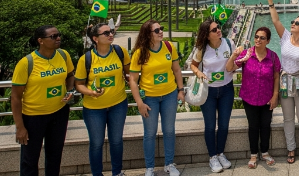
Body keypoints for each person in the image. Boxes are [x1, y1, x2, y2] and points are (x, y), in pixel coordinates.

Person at [11, 25, 75, 176]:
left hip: (59, 113)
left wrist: (70, 90)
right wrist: (20, 127)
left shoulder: (63, 55)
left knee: (55, 156)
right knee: (30, 160)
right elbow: (15, 97)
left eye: (58, 35)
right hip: (33, 118)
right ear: (40, 40)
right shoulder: (26, 63)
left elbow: (70, 75)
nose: (58, 38)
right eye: (53, 36)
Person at [129, 20, 185, 176]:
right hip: (149, 98)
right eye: (157, 30)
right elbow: (133, 79)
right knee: (150, 133)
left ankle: (169, 164)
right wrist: (139, 103)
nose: (161, 32)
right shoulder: (140, 52)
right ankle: (150, 168)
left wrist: (181, 90)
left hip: (169, 94)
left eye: (161, 29)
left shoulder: (168, 47)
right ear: (148, 34)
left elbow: (177, 70)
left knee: (169, 130)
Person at [75, 23, 130, 176]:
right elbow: (78, 84)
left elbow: (129, 74)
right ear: (95, 38)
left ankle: (117, 172)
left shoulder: (120, 52)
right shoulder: (86, 59)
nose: (110, 34)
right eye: (105, 33)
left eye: (111, 31)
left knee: (117, 141)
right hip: (94, 109)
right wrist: (91, 92)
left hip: (118, 104)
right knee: (96, 144)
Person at [267, 0, 299, 164]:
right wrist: (271, 2)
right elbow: (276, 21)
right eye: (293, 22)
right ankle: (291, 148)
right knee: (288, 118)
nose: (293, 24)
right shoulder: (285, 36)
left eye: (297, 23)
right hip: (286, 80)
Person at [189, 20, 242, 173]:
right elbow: (193, 64)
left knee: (224, 125)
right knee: (210, 126)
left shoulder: (228, 42)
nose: (218, 30)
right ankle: (212, 157)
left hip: (226, 89)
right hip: (209, 92)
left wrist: (239, 59)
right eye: (214, 30)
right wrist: (198, 72)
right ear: (207, 35)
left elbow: (234, 61)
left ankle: (221, 153)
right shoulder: (202, 48)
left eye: (218, 27)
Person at [232, 27, 281, 168]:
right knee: (253, 126)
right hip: (249, 96)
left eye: (262, 38)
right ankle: (254, 154)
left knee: (266, 125)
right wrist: (236, 57)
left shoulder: (272, 56)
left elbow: (276, 76)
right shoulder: (246, 54)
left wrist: (275, 96)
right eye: (257, 36)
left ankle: (265, 152)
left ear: (268, 41)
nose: (258, 40)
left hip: (267, 97)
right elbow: (230, 68)